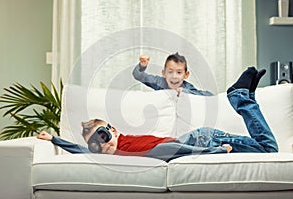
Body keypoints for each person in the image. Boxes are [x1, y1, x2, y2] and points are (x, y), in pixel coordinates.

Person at [37, 67, 278, 161]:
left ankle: (241, 97)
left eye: (101, 137)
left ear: (113, 130)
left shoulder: (125, 147)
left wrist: (210, 150)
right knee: (268, 149)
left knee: (269, 150)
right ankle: (243, 97)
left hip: (195, 141)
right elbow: (80, 150)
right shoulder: (112, 155)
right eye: (94, 145)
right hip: (200, 140)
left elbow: (163, 151)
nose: (101, 146)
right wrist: (54, 140)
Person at [132, 52, 213, 96]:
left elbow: (209, 95)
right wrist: (142, 65)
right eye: (170, 72)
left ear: (186, 75)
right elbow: (138, 75)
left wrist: (184, 91)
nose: (174, 76)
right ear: (163, 73)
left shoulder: (187, 87)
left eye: (179, 72)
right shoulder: (159, 82)